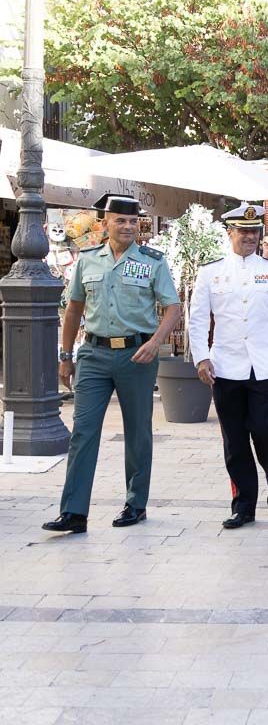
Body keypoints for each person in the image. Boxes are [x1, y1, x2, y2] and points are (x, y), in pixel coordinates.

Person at [43, 194, 181, 535]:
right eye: (120, 220)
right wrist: (65, 356)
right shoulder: (88, 260)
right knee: (83, 431)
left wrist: (155, 342)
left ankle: (136, 503)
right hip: (93, 354)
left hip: (137, 355)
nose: (128, 226)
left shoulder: (151, 261)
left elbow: (173, 308)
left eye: (133, 221)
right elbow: (73, 309)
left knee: (137, 432)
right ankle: (74, 512)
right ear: (105, 224)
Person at [189, 204, 268, 528]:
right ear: (230, 233)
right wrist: (201, 357)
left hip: (266, 366)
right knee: (234, 440)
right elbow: (197, 320)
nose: (250, 236)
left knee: (267, 430)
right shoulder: (211, 272)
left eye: (255, 231)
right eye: (244, 231)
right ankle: (244, 506)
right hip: (226, 366)